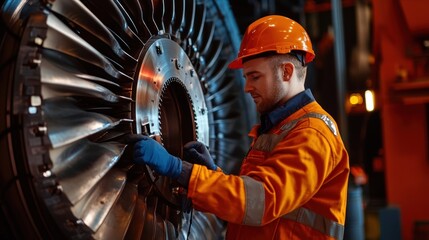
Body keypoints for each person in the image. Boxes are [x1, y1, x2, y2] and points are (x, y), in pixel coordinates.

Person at [134, 15, 350, 239]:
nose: (247, 87)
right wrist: (211, 174)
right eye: (246, 77)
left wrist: (178, 169)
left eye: (255, 77)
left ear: (286, 72)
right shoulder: (280, 127)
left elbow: (261, 201)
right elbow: (249, 204)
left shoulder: (312, 133)